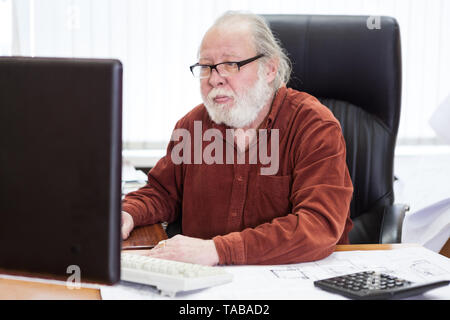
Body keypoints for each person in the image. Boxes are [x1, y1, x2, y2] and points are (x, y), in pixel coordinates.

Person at [121, 11, 353, 266]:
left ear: (269, 69)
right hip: (204, 283)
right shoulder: (192, 126)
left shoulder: (313, 126)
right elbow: (162, 192)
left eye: (230, 64)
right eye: (205, 67)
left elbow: (318, 226)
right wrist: (128, 213)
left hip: (295, 280)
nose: (214, 78)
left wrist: (218, 251)